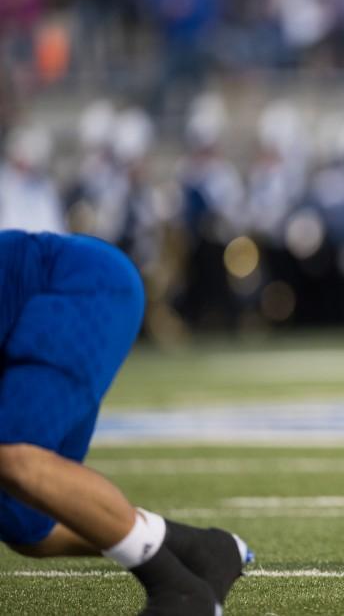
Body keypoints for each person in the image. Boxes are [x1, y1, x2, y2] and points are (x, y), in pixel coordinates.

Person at [0, 230, 253, 614]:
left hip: (80, 283)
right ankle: (202, 550)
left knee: (17, 457)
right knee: (26, 525)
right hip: (53, 301)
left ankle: (181, 593)